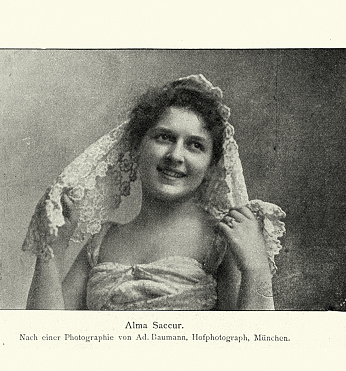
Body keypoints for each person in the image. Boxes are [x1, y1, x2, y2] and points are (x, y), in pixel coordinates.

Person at [23, 74, 286, 310]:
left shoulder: (222, 242)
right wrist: (53, 247)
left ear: (210, 166)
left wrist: (256, 269)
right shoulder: (102, 241)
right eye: (164, 137)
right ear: (137, 147)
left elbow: (252, 348)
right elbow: (47, 341)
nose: (175, 155)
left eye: (195, 145)